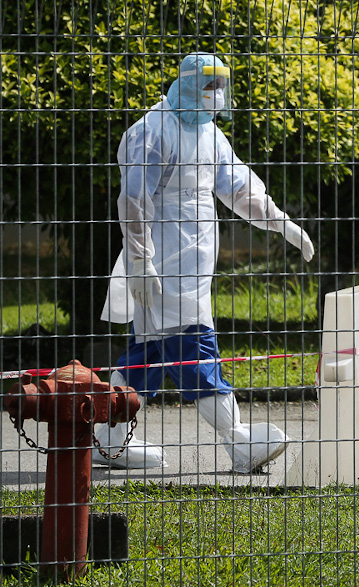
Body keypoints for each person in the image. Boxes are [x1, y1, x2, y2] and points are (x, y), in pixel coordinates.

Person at [94, 52, 314, 473]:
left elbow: (238, 186)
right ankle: (239, 442)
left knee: (150, 353)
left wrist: (279, 222)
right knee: (194, 351)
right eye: (209, 86)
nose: (216, 96)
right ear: (188, 83)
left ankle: (109, 437)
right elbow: (134, 200)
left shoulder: (209, 134)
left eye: (220, 87)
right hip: (162, 268)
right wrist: (140, 261)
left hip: (191, 269)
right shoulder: (153, 131)